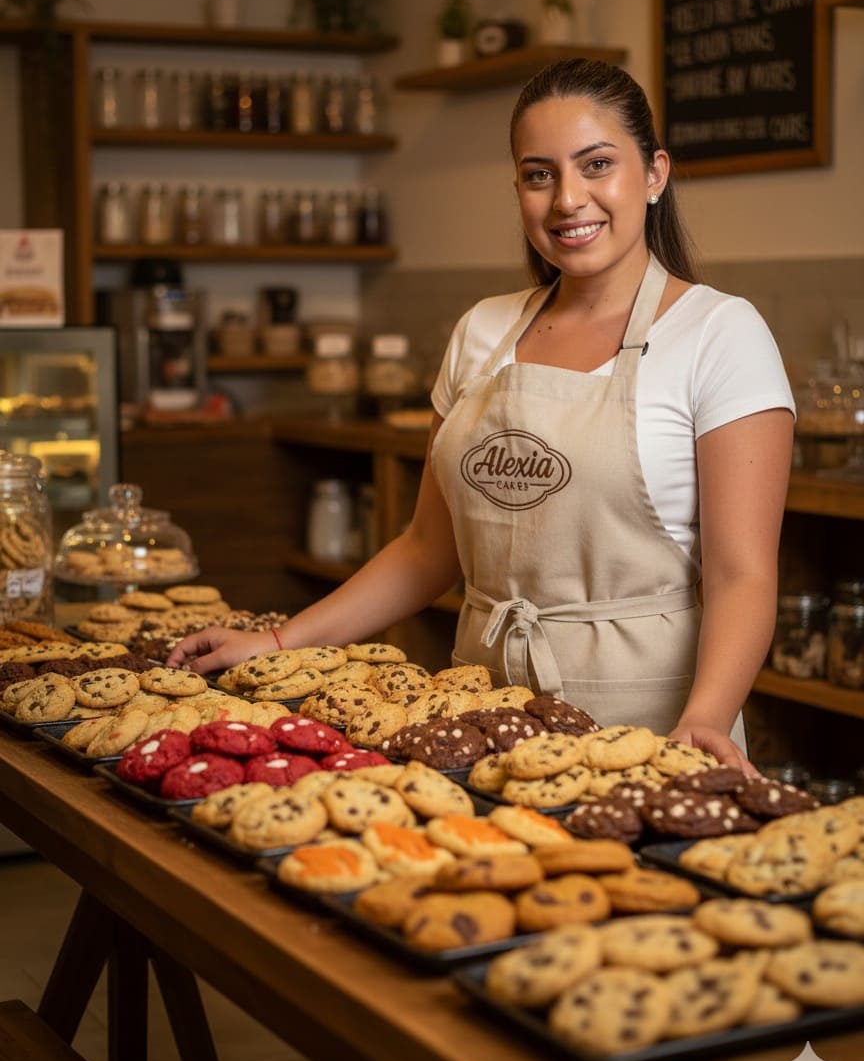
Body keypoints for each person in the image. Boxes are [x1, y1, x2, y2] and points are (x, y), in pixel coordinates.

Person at [168, 58, 794, 773]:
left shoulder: (719, 332)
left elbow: (742, 573)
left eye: (596, 165)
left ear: (653, 174)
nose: (568, 199)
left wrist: (705, 722)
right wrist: (284, 642)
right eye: (538, 174)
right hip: (479, 724)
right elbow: (427, 548)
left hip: (653, 731)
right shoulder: (482, 332)